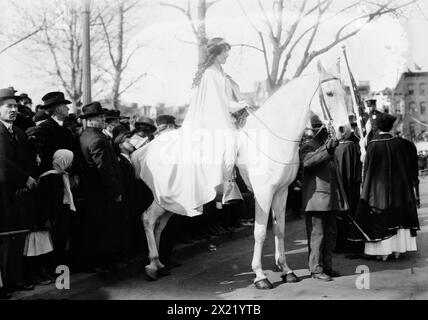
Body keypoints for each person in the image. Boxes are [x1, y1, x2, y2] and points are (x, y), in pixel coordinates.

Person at [132, 37, 247, 217]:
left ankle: (226, 187)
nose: (227, 55)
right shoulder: (210, 74)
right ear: (217, 53)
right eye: (225, 52)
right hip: (213, 119)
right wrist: (241, 105)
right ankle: (226, 186)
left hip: (221, 116)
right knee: (229, 143)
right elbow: (221, 103)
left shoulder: (220, 73)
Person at [348, 113, 420, 261]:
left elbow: (366, 169)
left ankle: (383, 252)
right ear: (391, 127)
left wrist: (363, 148)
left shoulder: (373, 145)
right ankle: (398, 250)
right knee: (398, 218)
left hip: (378, 190)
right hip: (398, 190)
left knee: (381, 219)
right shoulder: (400, 143)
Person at [300, 114, 349, 281]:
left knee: (329, 236)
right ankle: (315, 269)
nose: (328, 131)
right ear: (316, 129)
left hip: (330, 200)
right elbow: (308, 162)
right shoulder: (308, 145)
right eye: (324, 128)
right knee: (317, 236)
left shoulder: (326, 145)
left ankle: (327, 267)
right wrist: (327, 148)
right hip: (316, 201)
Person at [0, 87, 38, 295]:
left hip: (21, 193)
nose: (14, 110)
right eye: (9, 106)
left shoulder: (20, 133)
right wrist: (24, 177)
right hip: (3, 194)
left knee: (19, 237)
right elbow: (2, 162)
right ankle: (3, 284)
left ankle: (16, 279)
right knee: (5, 240)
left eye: (15, 106)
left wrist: (29, 179)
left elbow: (29, 160)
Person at [79, 102, 123, 273]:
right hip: (102, 192)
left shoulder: (85, 135)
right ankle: (103, 264)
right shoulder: (98, 139)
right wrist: (116, 192)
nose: (104, 119)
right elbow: (104, 169)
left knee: (97, 227)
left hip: (93, 191)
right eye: (100, 117)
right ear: (90, 120)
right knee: (105, 228)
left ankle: (98, 262)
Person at [36, 149, 75, 274]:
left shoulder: (62, 175)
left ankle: (59, 271)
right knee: (54, 245)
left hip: (61, 216)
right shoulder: (50, 177)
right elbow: (45, 200)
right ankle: (55, 271)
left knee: (60, 244)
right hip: (53, 218)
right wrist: (46, 219)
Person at [334, 124, 363, 255]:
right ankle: (352, 243)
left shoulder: (335, 148)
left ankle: (340, 244)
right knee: (351, 213)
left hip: (339, 187)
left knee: (340, 216)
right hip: (351, 187)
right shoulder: (352, 146)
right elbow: (357, 166)